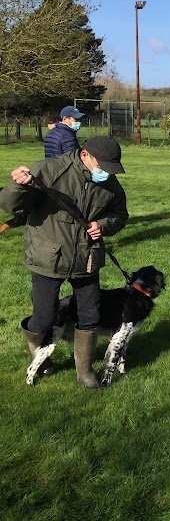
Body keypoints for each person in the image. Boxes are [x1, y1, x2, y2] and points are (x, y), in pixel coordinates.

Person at [0, 136, 128, 388]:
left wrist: (102, 225)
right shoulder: (50, 169)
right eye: (102, 166)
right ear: (85, 155)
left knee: (90, 314)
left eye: (111, 168)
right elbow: (9, 204)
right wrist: (18, 186)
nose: (107, 173)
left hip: (87, 257)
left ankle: (85, 372)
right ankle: (39, 356)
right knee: (44, 316)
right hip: (48, 257)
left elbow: (120, 214)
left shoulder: (111, 183)